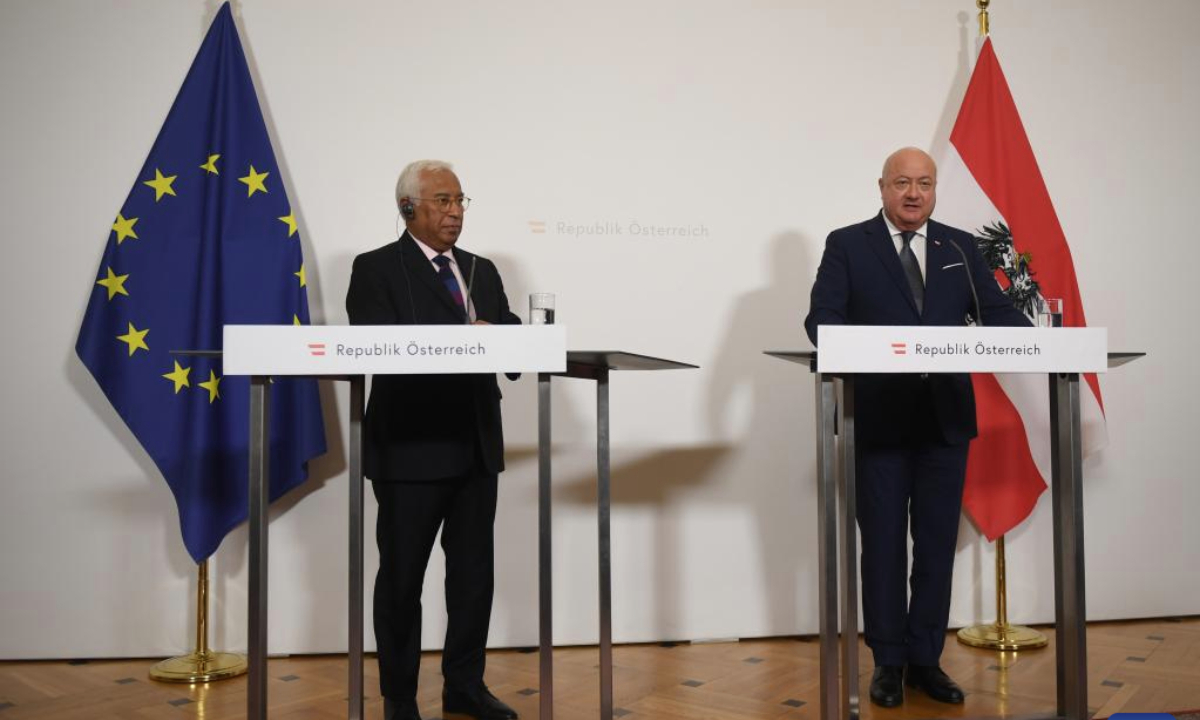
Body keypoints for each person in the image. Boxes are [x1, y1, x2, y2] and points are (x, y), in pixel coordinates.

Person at [804, 147, 1031, 707]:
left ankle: (925, 659)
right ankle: (887, 661)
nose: (913, 193)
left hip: (944, 422)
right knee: (882, 545)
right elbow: (821, 321)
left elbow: (997, 314)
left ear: (934, 190)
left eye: (924, 183)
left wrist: (1043, 330)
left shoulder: (958, 246)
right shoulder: (848, 244)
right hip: (876, 421)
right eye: (902, 182)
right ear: (881, 187)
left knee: (934, 547)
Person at [346, 160, 521, 720]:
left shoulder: (482, 270)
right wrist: (467, 336)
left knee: (473, 578)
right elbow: (377, 342)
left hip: (474, 443)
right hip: (410, 447)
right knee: (402, 580)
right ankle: (399, 696)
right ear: (408, 209)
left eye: (461, 201)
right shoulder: (375, 268)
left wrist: (516, 337)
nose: (455, 212)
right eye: (443, 201)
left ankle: (464, 686)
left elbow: (508, 337)